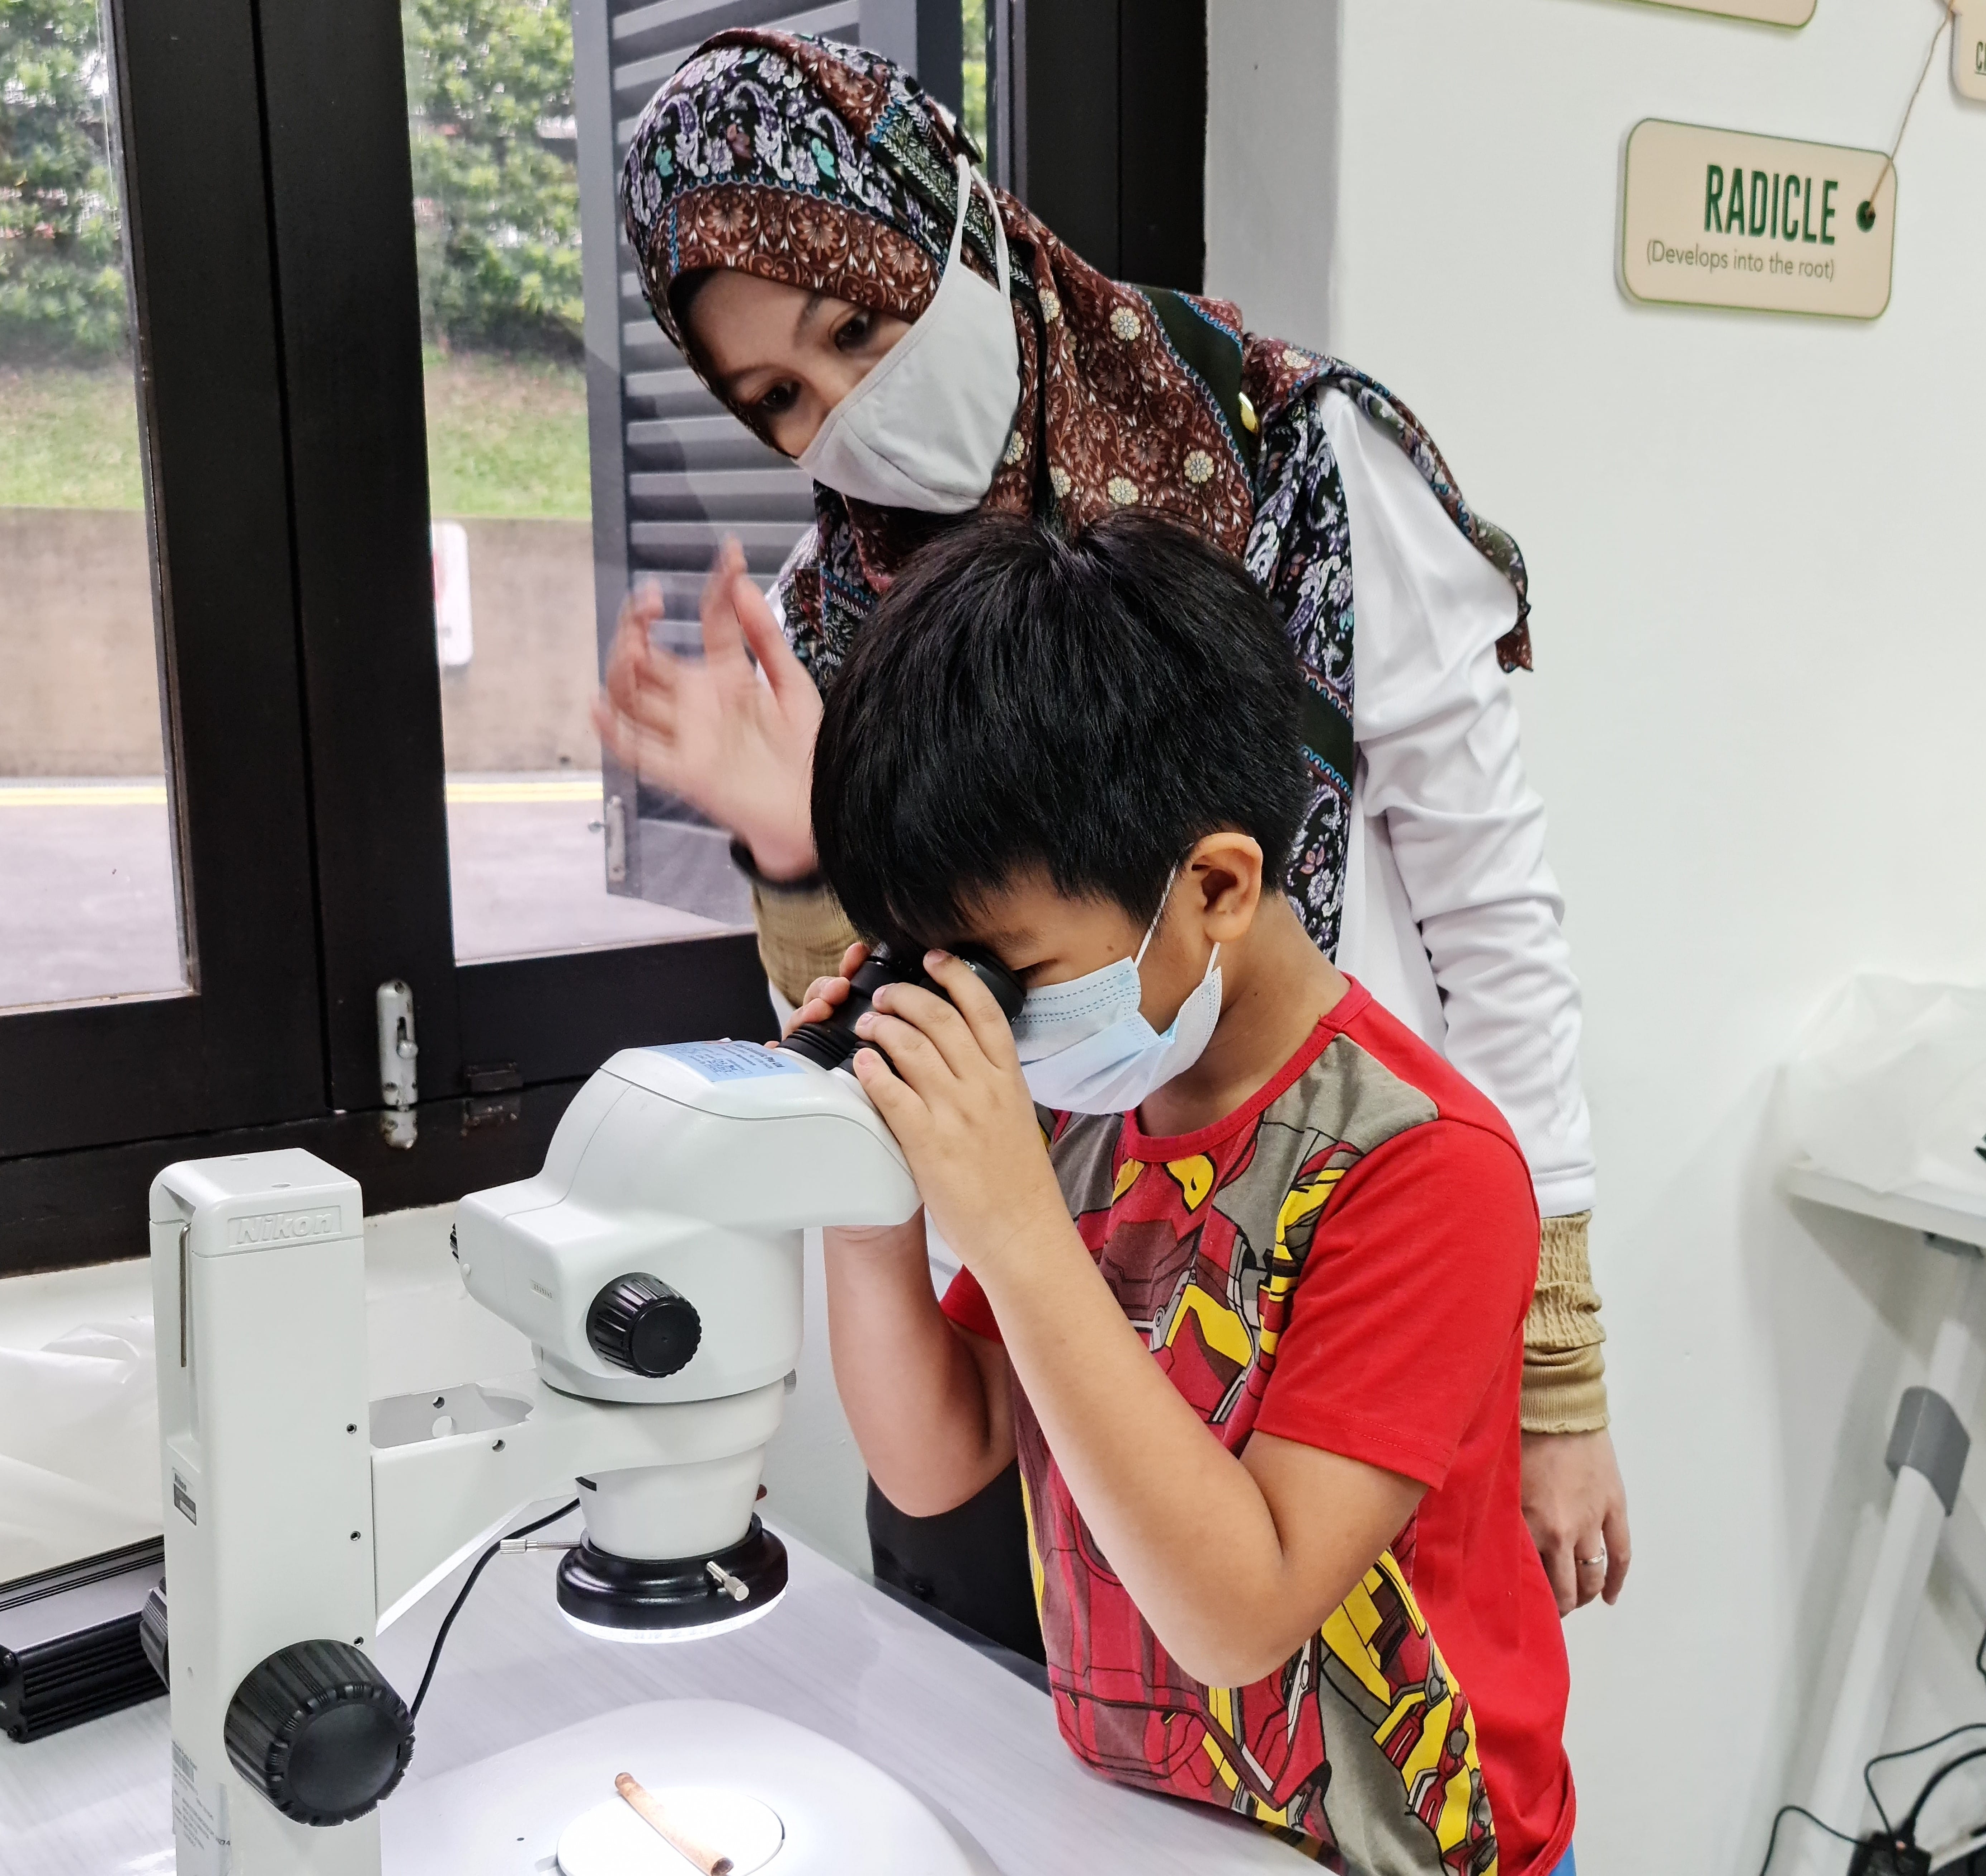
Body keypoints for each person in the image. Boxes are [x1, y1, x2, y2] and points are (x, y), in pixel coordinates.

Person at [596, 28, 1626, 1628]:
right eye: (783, 399)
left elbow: (1491, 907)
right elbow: (917, 991)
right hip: (1059, 1277)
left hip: (1334, 1251)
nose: (852, 410)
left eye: (861, 324)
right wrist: (803, 858)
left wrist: (1557, 1365)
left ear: (946, 213)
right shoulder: (840, 613)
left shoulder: (1294, 456)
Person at [797, 509, 1576, 1873]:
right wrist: (874, 1198)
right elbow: (939, 1456)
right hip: (1153, 1826)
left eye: (1004, 972)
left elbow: (1243, 1609)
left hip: (1409, 1849)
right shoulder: (1099, 1109)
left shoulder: (1422, 1170)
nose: (983, 1020)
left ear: (1214, 885)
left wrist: (1020, 1233)